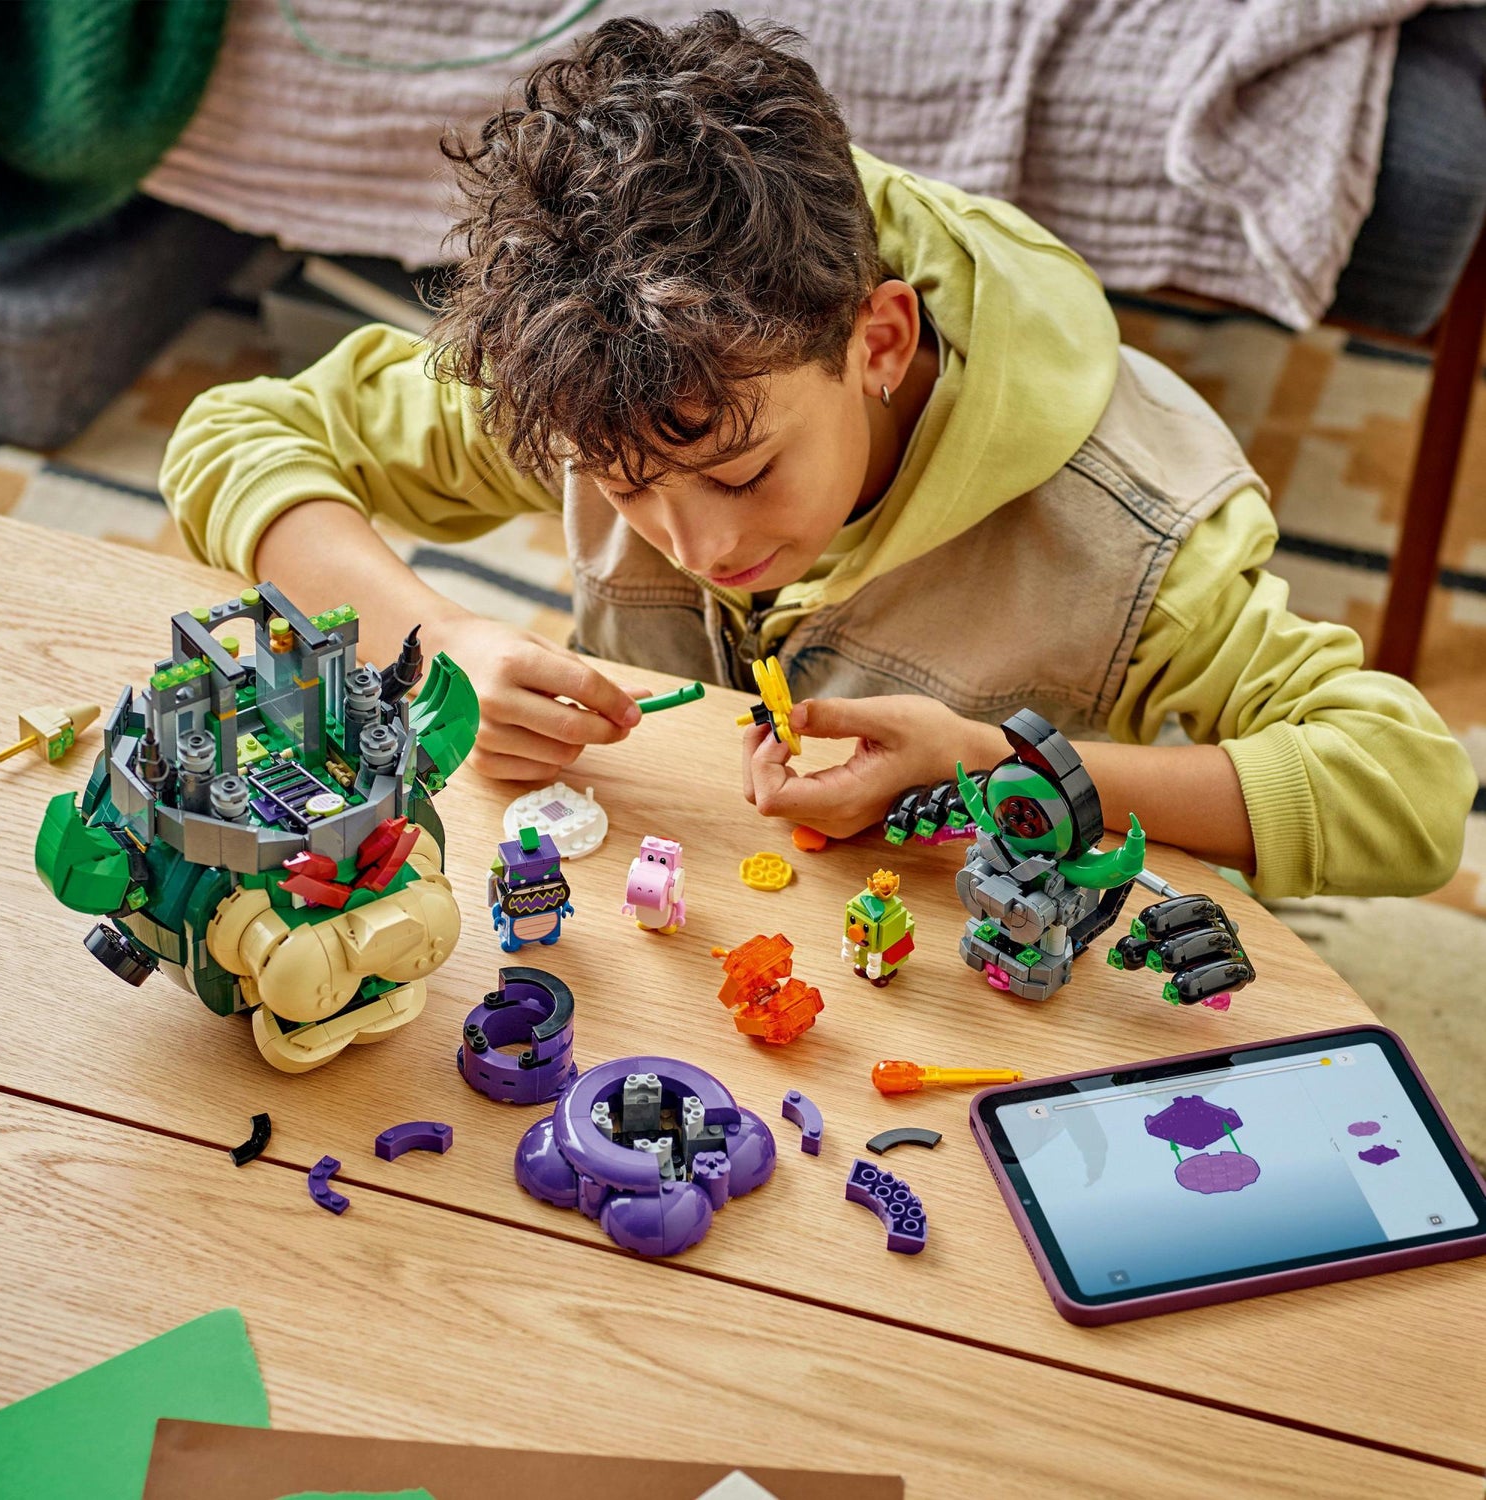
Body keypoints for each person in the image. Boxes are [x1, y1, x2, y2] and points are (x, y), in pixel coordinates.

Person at [160, 10, 1474, 901]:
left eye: (743, 476)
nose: (704, 547)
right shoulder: (608, 366)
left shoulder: (1127, 520)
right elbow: (236, 437)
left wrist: (997, 769)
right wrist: (438, 638)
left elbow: (1409, 793)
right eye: (627, 491)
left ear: (879, 340)